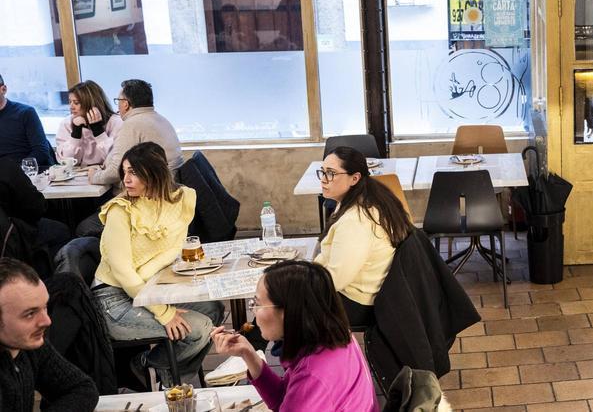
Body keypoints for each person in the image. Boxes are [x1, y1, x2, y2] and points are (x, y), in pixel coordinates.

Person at [91, 142, 223, 386]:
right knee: (199, 328)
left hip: (151, 288)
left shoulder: (178, 200)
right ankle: (168, 379)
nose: (126, 180)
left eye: (134, 172)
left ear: (154, 174)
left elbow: (172, 251)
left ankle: (155, 369)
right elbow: (123, 273)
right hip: (113, 300)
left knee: (213, 309)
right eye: (125, 172)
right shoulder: (120, 211)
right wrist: (163, 311)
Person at [210, 261, 378, 412]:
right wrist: (248, 353)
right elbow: (285, 398)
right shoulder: (333, 336)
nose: (253, 311)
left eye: (258, 304)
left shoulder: (313, 374)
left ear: (288, 312)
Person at [314, 146, 413, 325]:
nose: (323, 180)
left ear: (355, 178)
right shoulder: (360, 199)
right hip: (367, 291)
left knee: (280, 303)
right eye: (322, 172)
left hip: (359, 302)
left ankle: (259, 346)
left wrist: (298, 284)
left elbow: (336, 280)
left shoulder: (355, 221)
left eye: (331, 173)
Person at [0, 258, 99, 411]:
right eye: (30, 314)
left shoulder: (30, 345)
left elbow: (81, 388)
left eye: (45, 307)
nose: (46, 321)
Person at [88, 79, 182, 187]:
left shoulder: (133, 124)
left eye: (118, 100)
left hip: (151, 193)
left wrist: (94, 176)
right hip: (167, 186)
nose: (117, 106)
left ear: (126, 104)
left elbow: (116, 171)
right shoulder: (161, 119)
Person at [0, 159, 71, 274]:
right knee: (61, 231)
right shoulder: (6, 167)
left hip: (8, 236)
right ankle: (52, 283)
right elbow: (37, 208)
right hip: (13, 235)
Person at [54, 80, 122, 167]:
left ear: (91, 104)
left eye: (76, 103)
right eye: (70, 102)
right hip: (76, 176)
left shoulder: (116, 122)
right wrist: (75, 134)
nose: (71, 107)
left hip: (105, 175)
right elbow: (66, 161)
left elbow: (115, 159)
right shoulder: (67, 123)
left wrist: (98, 131)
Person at [0, 74, 54, 170]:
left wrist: (17, 171)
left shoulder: (25, 113)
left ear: (3, 89)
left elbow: (41, 151)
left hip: (27, 174)